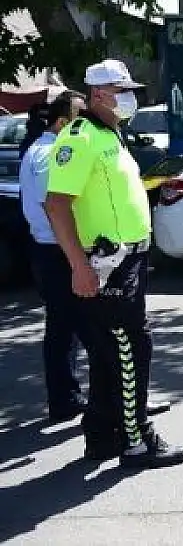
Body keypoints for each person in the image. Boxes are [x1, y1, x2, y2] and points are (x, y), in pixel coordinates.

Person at [43, 59, 183, 468]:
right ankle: (137, 440)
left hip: (126, 259)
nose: (130, 98)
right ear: (99, 95)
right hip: (107, 262)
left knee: (111, 353)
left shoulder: (110, 134)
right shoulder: (80, 138)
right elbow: (56, 204)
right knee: (131, 349)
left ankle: (101, 435)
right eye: (122, 91)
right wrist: (79, 266)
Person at [21, 91, 89, 424]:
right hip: (58, 250)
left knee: (63, 328)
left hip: (48, 249)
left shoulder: (38, 148)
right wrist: (77, 257)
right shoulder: (52, 155)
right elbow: (55, 207)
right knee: (77, 327)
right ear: (62, 123)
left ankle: (66, 398)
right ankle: (73, 399)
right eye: (80, 117)